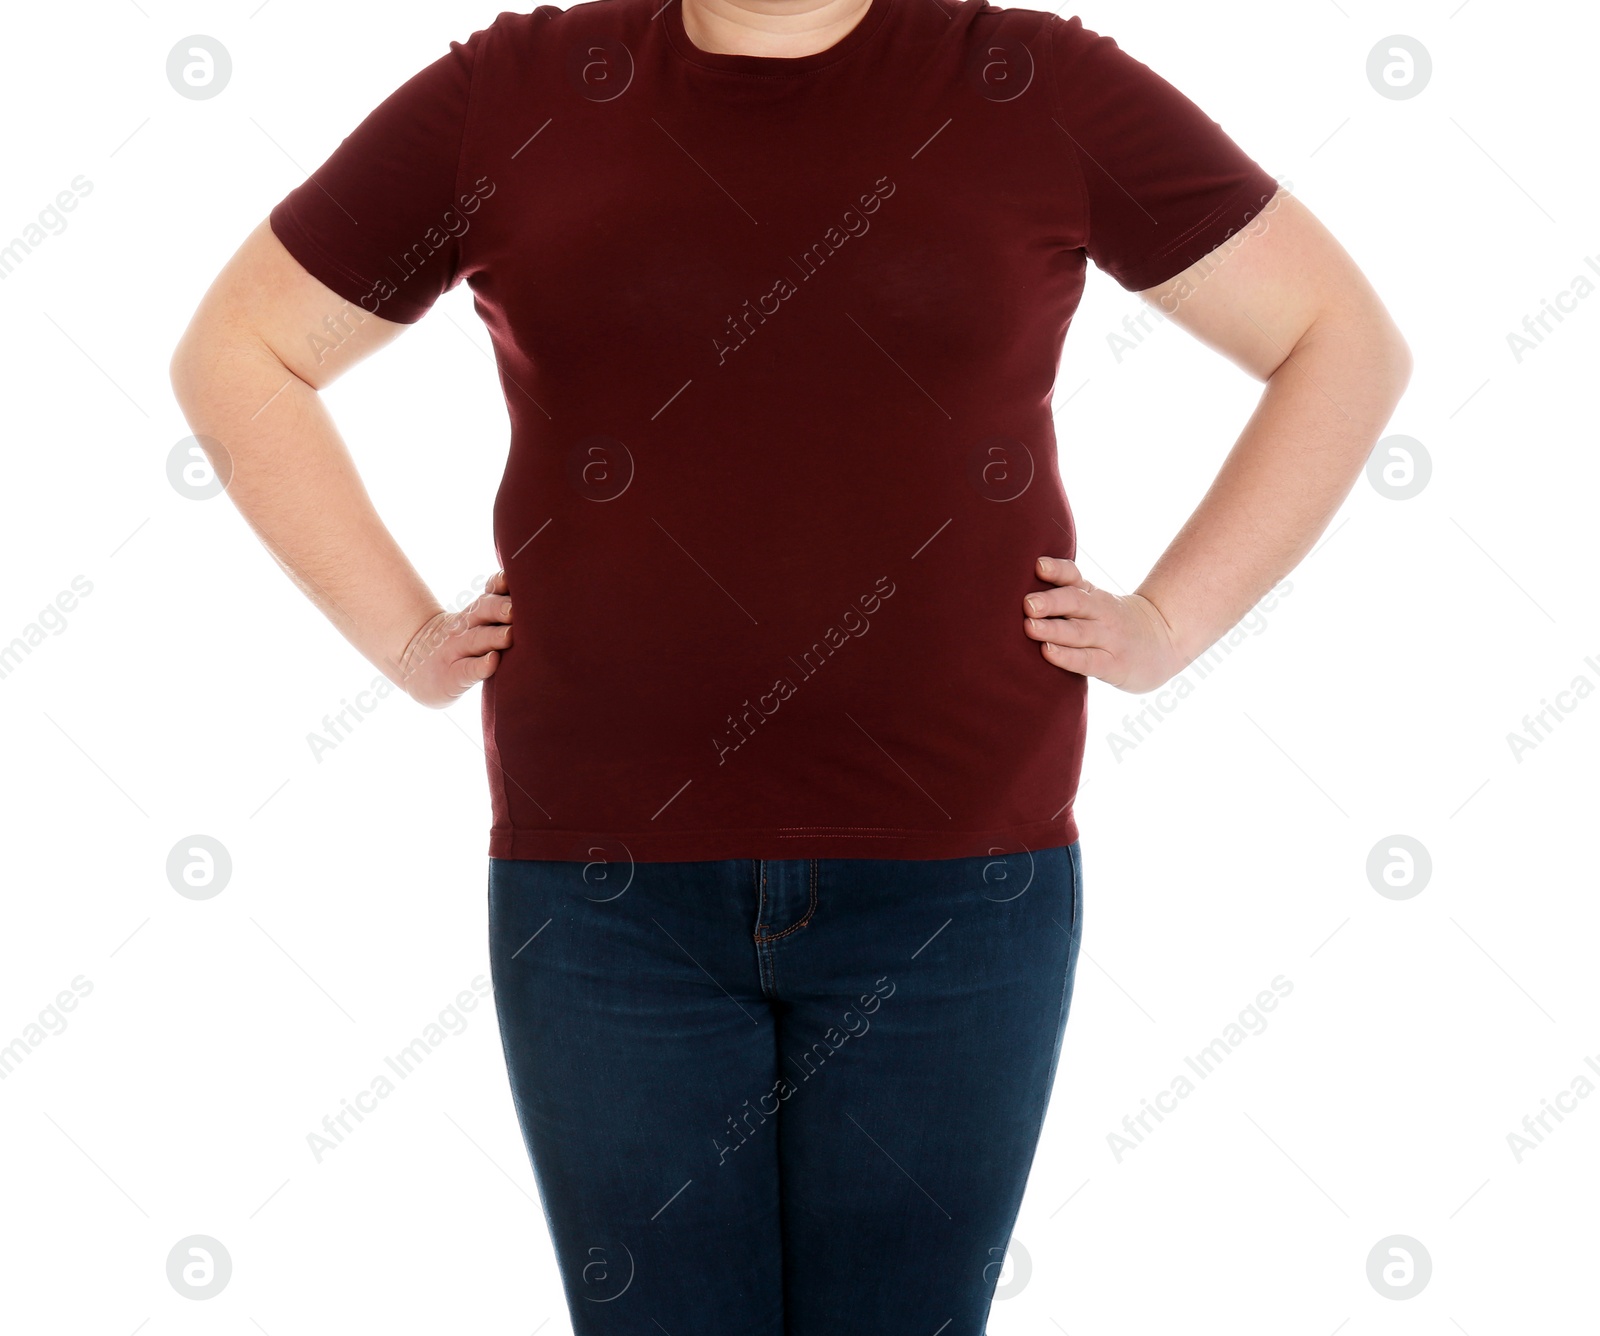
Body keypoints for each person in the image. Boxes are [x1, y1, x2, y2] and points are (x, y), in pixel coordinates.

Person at [169, 0, 1411, 1329]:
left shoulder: (1027, 81)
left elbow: (1341, 341)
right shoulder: (517, 89)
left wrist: (1171, 620)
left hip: (954, 890)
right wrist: (406, 639)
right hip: (605, 897)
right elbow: (238, 355)